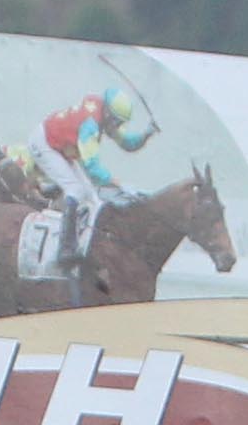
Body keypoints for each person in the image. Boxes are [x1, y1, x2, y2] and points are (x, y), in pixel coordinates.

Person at [30, 84, 157, 282]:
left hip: (62, 147)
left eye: (119, 123)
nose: (115, 127)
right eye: (115, 122)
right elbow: (92, 168)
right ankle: (65, 249)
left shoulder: (104, 115)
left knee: (93, 199)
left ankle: (85, 245)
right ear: (107, 114)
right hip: (45, 144)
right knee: (75, 190)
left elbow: (127, 143)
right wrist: (117, 182)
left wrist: (146, 134)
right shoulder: (90, 125)